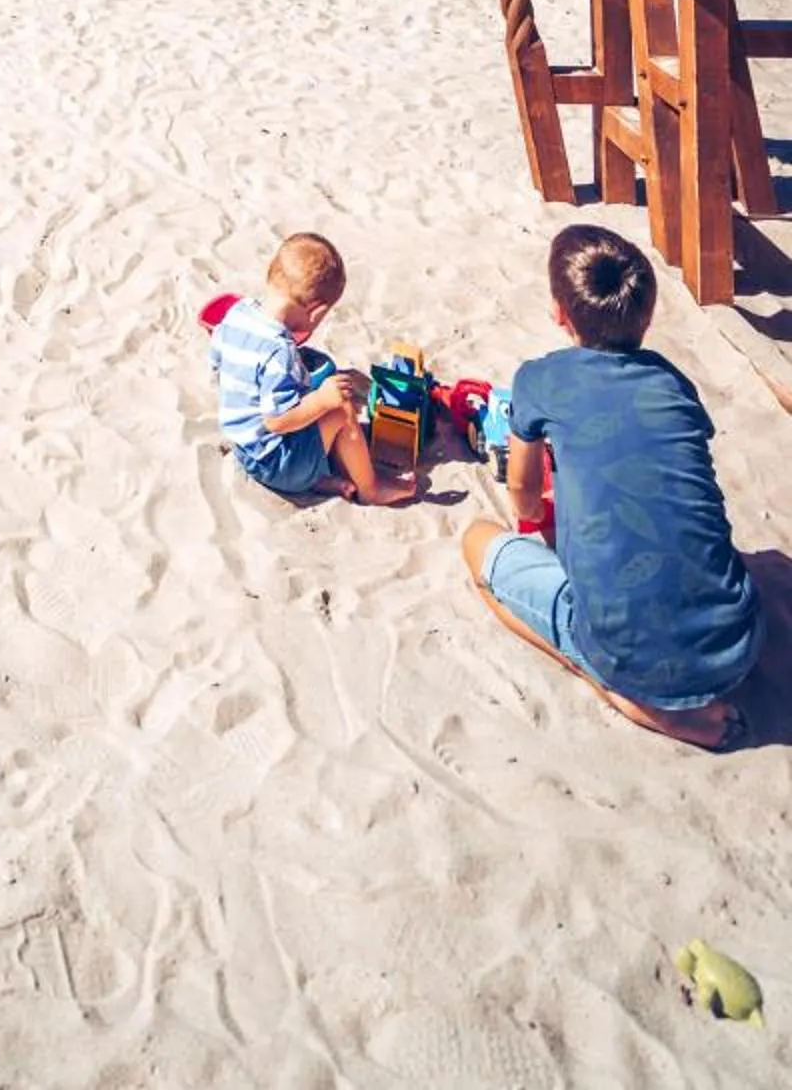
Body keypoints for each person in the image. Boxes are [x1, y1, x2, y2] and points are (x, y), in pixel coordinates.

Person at [461, 224, 763, 751]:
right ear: (646, 316)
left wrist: (535, 520)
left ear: (560, 312)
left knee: (477, 546)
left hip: (629, 657)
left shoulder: (539, 379)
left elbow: (524, 492)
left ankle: (608, 682)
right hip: (741, 641)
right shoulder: (672, 382)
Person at [211, 231, 416, 507]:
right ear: (316, 312)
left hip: (246, 450)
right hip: (276, 464)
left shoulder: (237, 314)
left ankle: (319, 478)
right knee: (341, 409)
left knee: (313, 399)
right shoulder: (278, 352)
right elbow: (277, 421)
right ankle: (371, 490)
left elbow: (219, 362)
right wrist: (321, 401)